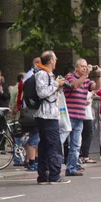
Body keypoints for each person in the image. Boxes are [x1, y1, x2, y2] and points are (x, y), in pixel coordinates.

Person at [34, 51, 70, 185]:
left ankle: (43, 175)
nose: (56, 61)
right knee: (54, 145)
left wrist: (57, 85)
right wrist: (56, 84)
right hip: (46, 115)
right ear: (50, 61)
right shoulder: (42, 74)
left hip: (49, 114)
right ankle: (54, 175)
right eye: (55, 59)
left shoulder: (46, 74)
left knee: (44, 146)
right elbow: (42, 92)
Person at [63, 59, 101, 176]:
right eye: (82, 67)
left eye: (86, 66)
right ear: (76, 68)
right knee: (61, 141)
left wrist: (98, 75)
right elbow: (74, 86)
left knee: (75, 144)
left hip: (80, 116)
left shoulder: (86, 80)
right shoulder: (69, 76)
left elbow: (96, 87)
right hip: (68, 116)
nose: (85, 69)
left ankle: (71, 168)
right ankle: (50, 165)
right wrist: (85, 75)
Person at [23, 57, 42, 171]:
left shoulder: (30, 78)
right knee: (34, 138)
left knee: (36, 137)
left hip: (32, 111)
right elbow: (29, 96)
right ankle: (32, 162)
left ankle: (34, 160)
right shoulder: (32, 78)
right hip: (33, 112)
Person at [79, 88, 97, 164]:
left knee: (86, 136)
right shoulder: (85, 93)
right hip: (86, 116)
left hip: (87, 115)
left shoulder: (87, 93)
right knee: (88, 135)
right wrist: (93, 92)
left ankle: (84, 155)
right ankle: (84, 155)